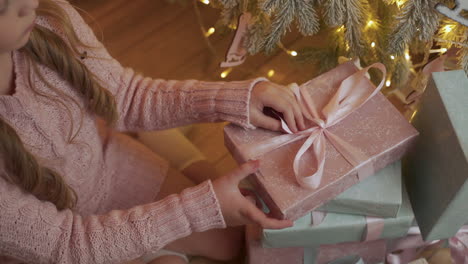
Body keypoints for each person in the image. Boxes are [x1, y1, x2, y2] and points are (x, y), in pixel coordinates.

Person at [0, 0, 305, 263]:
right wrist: (197, 208)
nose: (30, 3)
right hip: (60, 244)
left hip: (106, 166)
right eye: (3, 8)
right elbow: (67, 245)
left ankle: (160, 155)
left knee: (232, 243)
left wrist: (235, 98)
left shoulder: (50, 17)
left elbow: (127, 97)